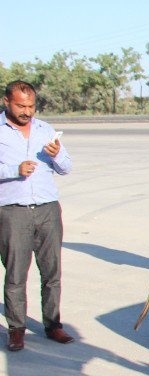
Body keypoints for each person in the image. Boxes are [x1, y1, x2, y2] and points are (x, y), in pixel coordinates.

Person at [0, 80, 74, 352]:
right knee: (16, 275)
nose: (27, 111)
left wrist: (57, 156)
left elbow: (66, 168)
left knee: (52, 271)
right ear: (6, 101)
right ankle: (17, 330)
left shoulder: (45, 130)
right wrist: (13, 170)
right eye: (21, 105)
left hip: (47, 210)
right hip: (12, 212)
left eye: (31, 106)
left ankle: (53, 325)